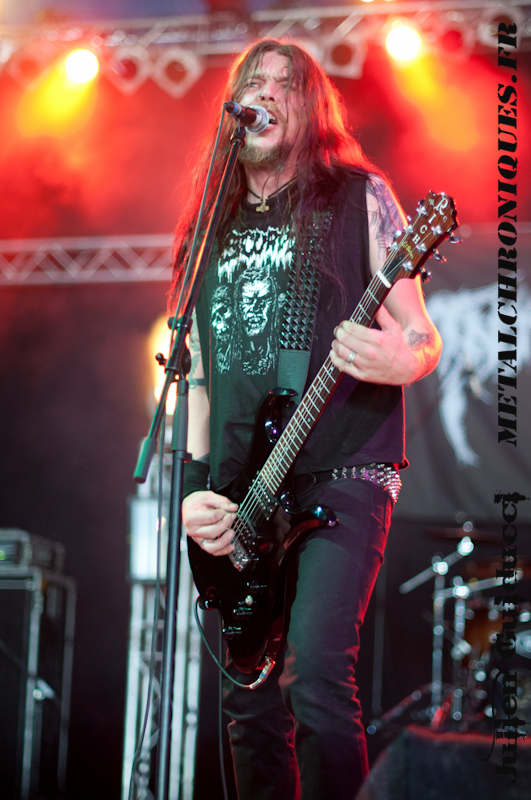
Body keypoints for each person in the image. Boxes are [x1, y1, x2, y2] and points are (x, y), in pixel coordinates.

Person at [171, 38, 442, 800]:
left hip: (342, 470)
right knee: (247, 703)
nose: (262, 93)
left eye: (282, 84)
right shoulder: (207, 229)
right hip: (241, 496)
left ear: (310, 107)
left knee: (315, 674)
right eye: (250, 82)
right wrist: (194, 491)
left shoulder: (355, 197)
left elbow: (420, 336)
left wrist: (400, 357)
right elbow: (198, 380)